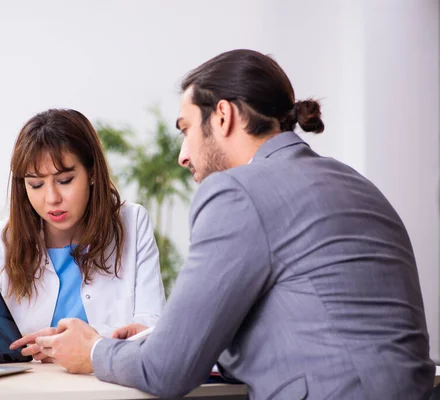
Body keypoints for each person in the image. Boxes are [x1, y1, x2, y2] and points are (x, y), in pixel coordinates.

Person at [32, 49, 435, 399]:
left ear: (222, 116)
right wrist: (159, 338)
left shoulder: (236, 191)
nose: (183, 156)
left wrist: (95, 352)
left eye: (186, 130)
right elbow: (307, 321)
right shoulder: (357, 184)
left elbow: (169, 371)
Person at [0, 108, 165, 362]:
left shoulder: (132, 223)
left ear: (93, 174)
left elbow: (152, 326)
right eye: (36, 184)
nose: (52, 198)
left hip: (108, 386)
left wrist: (84, 345)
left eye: (64, 180)